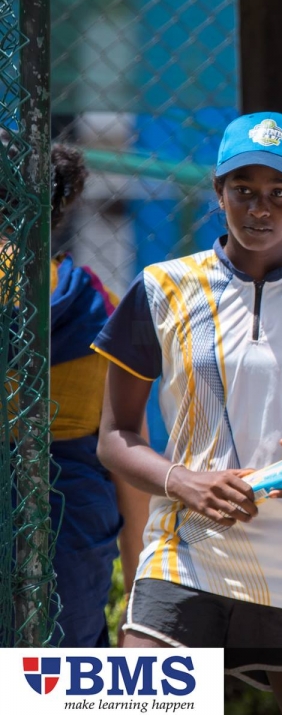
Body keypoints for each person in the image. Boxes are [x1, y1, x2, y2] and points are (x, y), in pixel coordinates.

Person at [91, 112, 282, 710]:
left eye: (279, 193)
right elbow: (115, 438)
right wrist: (184, 482)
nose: (260, 209)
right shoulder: (162, 288)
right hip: (186, 553)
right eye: (244, 191)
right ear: (219, 192)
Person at [43, 143, 148, 647]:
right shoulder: (96, 302)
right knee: (55, 678)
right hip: (71, 523)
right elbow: (129, 451)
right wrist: (140, 599)